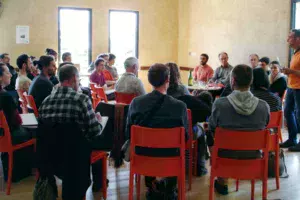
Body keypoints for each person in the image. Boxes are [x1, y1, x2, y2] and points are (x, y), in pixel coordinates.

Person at [39, 64, 105, 198]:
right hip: (77, 159)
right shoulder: (81, 99)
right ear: (74, 78)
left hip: (53, 157)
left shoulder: (45, 102)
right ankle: (100, 183)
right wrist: (98, 120)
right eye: (79, 80)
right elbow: (94, 132)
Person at [126, 63, 188, 199]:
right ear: (168, 80)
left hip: (143, 157)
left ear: (149, 80)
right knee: (176, 148)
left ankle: (152, 186)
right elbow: (186, 137)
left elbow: (128, 133)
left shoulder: (136, 103)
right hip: (171, 158)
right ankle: (170, 189)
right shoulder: (180, 106)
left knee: (148, 145)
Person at [208, 64, 270, 195]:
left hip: (225, 159)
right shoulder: (264, 107)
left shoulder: (220, 104)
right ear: (251, 81)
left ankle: (222, 180)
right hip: (254, 159)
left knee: (210, 135)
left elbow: (212, 128)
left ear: (232, 81)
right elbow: (265, 127)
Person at [0, 62, 32, 144]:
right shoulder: (5, 95)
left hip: (2, 134)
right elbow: (17, 121)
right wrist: (26, 117)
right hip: (11, 134)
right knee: (36, 124)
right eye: (7, 73)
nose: (11, 75)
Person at [280, 29, 300, 151]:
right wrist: (288, 72)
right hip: (291, 87)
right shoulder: (295, 53)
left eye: (290, 37)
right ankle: (292, 139)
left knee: (299, 116)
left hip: (299, 89)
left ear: (298, 39)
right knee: (287, 112)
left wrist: (291, 71)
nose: (288, 39)